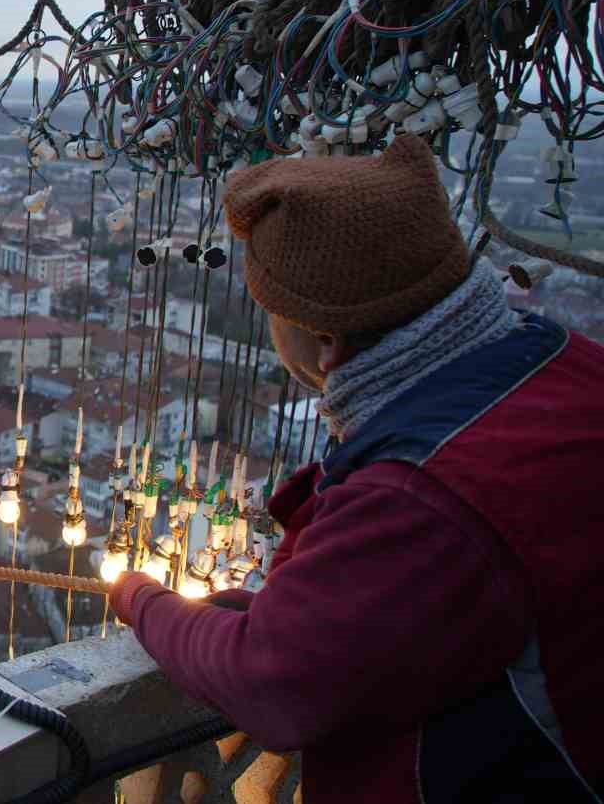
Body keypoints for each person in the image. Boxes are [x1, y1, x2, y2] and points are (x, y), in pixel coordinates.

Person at [108, 135, 602, 802]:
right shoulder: (568, 363)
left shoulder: (419, 490)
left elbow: (272, 684)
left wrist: (142, 601)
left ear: (325, 338)